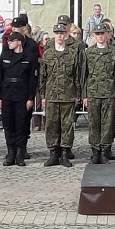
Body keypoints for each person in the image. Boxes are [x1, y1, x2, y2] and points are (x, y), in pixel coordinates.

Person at [40, 23, 83, 167]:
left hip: (68, 94)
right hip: (51, 94)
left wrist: (77, 93)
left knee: (67, 125)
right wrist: (43, 95)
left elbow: (77, 75)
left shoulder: (72, 54)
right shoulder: (48, 54)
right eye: (57, 33)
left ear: (66, 35)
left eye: (62, 33)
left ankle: (65, 153)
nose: (59, 36)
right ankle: (53, 153)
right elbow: (43, 76)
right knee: (51, 124)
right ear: (54, 35)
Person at [0, 32, 38, 167]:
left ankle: (20, 152)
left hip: (22, 94)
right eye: (8, 40)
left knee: (21, 124)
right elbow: (0, 77)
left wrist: (30, 98)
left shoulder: (29, 57)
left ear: (19, 42)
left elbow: (32, 79)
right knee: (8, 124)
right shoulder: (6, 55)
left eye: (12, 40)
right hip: (7, 94)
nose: (9, 43)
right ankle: (10, 152)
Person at [83, 23, 115, 164]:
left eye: (102, 33)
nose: (100, 36)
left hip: (109, 92)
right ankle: (95, 151)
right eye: (97, 34)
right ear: (93, 35)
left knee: (108, 123)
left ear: (107, 34)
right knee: (94, 123)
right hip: (93, 92)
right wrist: (85, 95)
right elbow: (84, 75)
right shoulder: (88, 52)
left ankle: (105, 150)